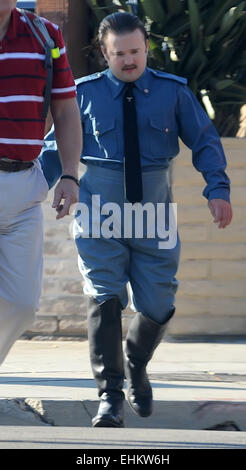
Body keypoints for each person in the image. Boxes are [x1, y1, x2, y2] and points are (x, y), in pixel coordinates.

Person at [39, 11, 233, 428]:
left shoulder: (173, 93)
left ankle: (136, 362)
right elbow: (54, 150)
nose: (128, 61)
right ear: (103, 54)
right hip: (99, 213)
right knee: (104, 296)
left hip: (154, 215)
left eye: (135, 51)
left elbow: (205, 141)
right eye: (118, 54)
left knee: (159, 305)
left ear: (146, 47)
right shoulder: (82, 94)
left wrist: (217, 190)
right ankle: (109, 395)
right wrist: (31, 191)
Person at [0, 1, 82, 365]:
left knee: (21, 306)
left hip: (24, 187)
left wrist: (68, 173)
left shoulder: (46, 36)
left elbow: (65, 109)